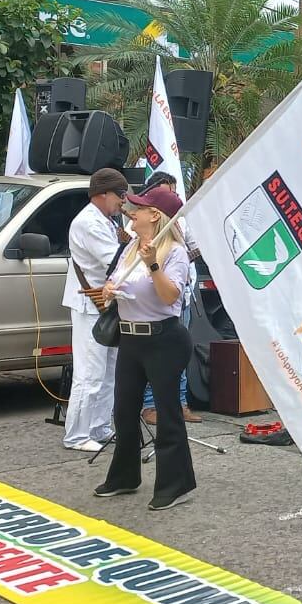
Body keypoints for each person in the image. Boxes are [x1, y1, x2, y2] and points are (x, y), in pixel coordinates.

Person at [95, 186, 196, 509]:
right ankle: (124, 476)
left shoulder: (174, 253)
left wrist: (153, 265)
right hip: (131, 337)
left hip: (163, 338)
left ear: (155, 216)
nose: (131, 212)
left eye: (139, 208)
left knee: (167, 412)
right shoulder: (131, 248)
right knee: (124, 410)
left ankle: (175, 484)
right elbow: (117, 282)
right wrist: (109, 290)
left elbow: (170, 297)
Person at [60, 169, 128, 452]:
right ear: (101, 194)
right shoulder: (89, 222)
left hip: (106, 304)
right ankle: (76, 434)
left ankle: (99, 427)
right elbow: (114, 261)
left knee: (108, 371)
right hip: (90, 305)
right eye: (119, 195)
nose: (122, 201)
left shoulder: (106, 220)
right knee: (90, 373)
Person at [134, 172, 201, 424]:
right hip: (156, 301)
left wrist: (184, 259)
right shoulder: (142, 226)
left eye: (173, 192)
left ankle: (181, 403)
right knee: (155, 357)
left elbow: (192, 246)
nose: (171, 196)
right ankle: (151, 406)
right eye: (165, 192)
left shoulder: (181, 223)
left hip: (182, 296)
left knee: (179, 353)